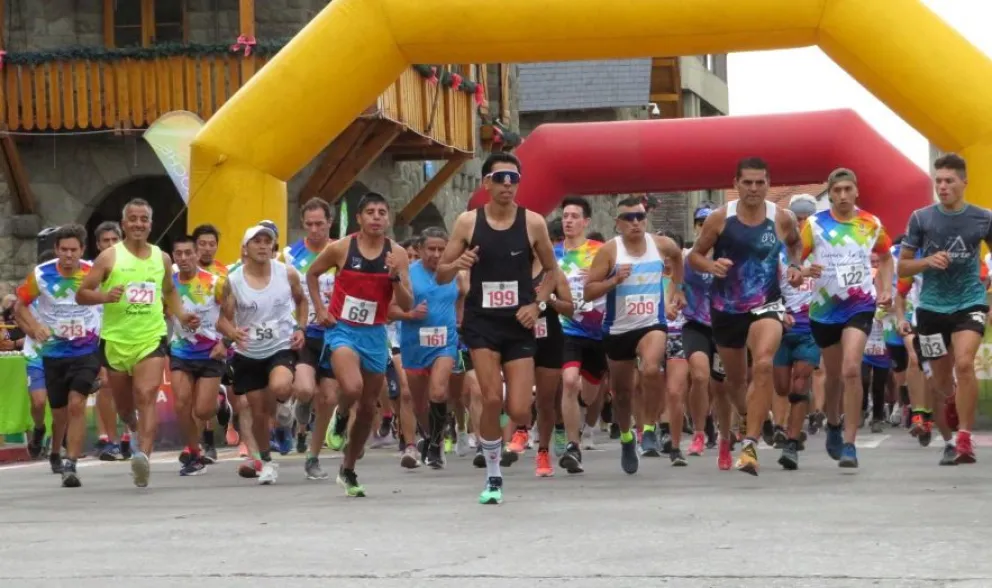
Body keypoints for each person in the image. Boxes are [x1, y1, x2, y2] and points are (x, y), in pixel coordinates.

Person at [436, 152, 560, 505]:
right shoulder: (467, 223)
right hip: (482, 323)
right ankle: (493, 475)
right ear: (486, 183)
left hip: (519, 322)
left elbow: (552, 272)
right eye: (501, 177)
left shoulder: (533, 222)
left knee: (519, 409)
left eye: (514, 178)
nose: (508, 184)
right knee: (491, 398)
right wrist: (457, 263)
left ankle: (515, 435)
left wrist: (536, 306)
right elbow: (442, 273)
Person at [689, 157, 803, 476]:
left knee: (764, 363)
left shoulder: (781, 217)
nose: (754, 189)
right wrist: (710, 266)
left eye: (760, 182)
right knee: (735, 383)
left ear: (769, 184)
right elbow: (696, 255)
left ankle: (750, 447)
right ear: (736, 183)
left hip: (766, 303)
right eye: (747, 182)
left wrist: (794, 267)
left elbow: (795, 245)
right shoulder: (718, 219)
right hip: (726, 308)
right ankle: (755, 418)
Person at [77, 198, 193, 488]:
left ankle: (143, 456)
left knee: (146, 394)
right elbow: (82, 294)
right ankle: (131, 427)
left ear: (150, 225)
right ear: (124, 223)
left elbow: (169, 291)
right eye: (133, 219)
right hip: (116, 341)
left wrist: (181, 315)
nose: (139, 224)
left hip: (150, 338)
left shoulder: (162, 258)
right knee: (127, 408)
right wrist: (105, 296)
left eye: (144, 219)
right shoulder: (109, 258)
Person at [307, 192, 414, 498]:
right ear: (359, 218)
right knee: (351, 388)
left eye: (382, 212)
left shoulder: (397, 254)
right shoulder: (341, 247)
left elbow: (407, 303)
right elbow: (312, 274)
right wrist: (320, 309)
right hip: (343, 330)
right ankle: (340, 418)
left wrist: (395, 277)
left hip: (375, 334)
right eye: (370, 212)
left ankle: (348, 468)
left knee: (368, 408)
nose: (376, 217)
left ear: (388, 218)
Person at [898, 153, 992, 464]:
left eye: (949, 181)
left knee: (964, 364)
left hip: (969, 301)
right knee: (940, 381)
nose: (943, 186)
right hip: (932, 308)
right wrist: (926, 261)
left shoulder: (983, 218)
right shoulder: (921, 218)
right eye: (938, 181)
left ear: (964, 182)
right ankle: (949, 431)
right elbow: (902, 268)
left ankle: (964, 439)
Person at [585, 197, 685, 475]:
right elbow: (589, 291)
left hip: (651, 323)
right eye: (628, 218)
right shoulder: (609, 251)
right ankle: (628, 438)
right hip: (618, 328)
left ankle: (650, 427)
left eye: (640, 217)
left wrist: (678, 288)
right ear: (618, 223)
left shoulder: (661, 245)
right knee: (623, 395)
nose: (636, 223)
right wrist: (613, 280)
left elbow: (678, 256)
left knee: (651, 368)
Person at [801, 168, 893, 468]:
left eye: (846, 190)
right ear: (830, 194)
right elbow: (794, 259)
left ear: (856, 192)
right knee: (833, 375)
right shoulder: (815, 224)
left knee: (852, 369)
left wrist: (885, 288)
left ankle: (851, 444)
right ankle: (833, 423)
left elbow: (887, 255)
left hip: (860, 305)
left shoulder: (870, 223)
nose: (841, 196)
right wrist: (802, 271)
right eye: (836, 191)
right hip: (824, 310)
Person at [14, 224, 103, 487]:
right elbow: (20, 306)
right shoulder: (41, 275)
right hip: (52, 353)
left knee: (77, 404)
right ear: (56, 250)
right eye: (63, 249)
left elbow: (107, 306)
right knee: (58, 409)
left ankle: (71, 464)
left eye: (73, 250)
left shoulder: (91, 272)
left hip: (85, 349)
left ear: (82, 250)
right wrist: (34, 328)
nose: (68, 255)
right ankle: (45, 436)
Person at [217, 224, 306, 485]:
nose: (263, 245)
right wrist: (232, 333)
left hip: (280, 345)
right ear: (245, 248)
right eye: (257, 241)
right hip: (249, 352)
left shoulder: (287, 273)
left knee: (280, 385)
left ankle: (285, 403)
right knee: (257, 412)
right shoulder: (233, 281)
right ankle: (266, 461)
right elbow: (222, 320)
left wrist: (300, 327)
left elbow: (302, 301)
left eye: (268, 241)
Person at [393, 227, 469, 468]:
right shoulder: (409, 274)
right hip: (414, 343)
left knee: (438, 392)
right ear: (419, 250)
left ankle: (436, 445)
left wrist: (460, 320)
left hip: (445, 343)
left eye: (441, 249)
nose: (436, 254)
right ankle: (428, 436)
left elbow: (462, 298)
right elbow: (390, 311)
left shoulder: (456, 273)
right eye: (431, 249)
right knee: (418, 403)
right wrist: (411, 313)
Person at [282, 198, 339, 480]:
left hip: (336, 333)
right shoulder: (290, 255)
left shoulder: (341, 251)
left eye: (320, 224)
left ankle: (313, 456)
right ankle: (302, 403)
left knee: (328, 398)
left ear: (330, 222)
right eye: (309, 224)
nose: (315, 229)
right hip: (305, 333)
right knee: (305, 390)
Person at [555, 196, 606, 474]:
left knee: (588, 394)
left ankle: (587, 421)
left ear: (586, 222)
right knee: (569, 382)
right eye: (565, 216)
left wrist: (600, 277)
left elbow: (618, 278)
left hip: (597, 331)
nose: (569, 220)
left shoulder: (600, 250)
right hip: (567, 328)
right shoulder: (553, 254)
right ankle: (572, 447)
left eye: (575, 216)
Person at [169, 235, 227, 476]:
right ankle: (194, 454)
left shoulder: (216, 283)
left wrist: (226, 343)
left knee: (203, 411)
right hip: (181, 351)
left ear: (196, 254)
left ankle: (220, 401)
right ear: (173, 257)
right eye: (178, 254)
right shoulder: (168, 285)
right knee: (182, 404)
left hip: (210, 352)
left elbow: (233, 314)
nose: (183, 258)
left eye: (188, 253)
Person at [773, 195, 821, 470]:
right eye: (798, 218)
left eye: (807, 218)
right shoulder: (779, 250)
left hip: (809, 327)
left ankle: (791, 443)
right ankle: (786, 419)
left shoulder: (824, 251)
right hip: (780, 326)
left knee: (799, 383)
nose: (802, 223)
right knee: (781, 386)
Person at [90, 222, 126, 461]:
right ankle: (109, 439)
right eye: (106, 241)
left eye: (115, 240)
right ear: (98, 245)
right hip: (99, 337)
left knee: (131, 389)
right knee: (105, 385)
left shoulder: (134, 266)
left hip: (130, 334)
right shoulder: (90, 271)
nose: (111, 245)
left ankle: (128, 437)